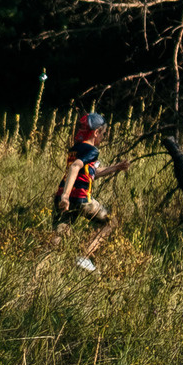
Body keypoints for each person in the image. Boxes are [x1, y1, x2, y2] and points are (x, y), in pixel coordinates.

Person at [54, 110, 130, 271]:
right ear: (96, 133)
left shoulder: (75, 148)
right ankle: (84, 256)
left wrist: (116, 167)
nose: (103, 137)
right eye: (103, 134)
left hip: (61, 195)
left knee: (60, 234)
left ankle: (47, 264)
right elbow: (75, 167)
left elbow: (91, 173)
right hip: (80, 198)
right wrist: (66, 196)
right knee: (111, 221)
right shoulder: (92, 150)